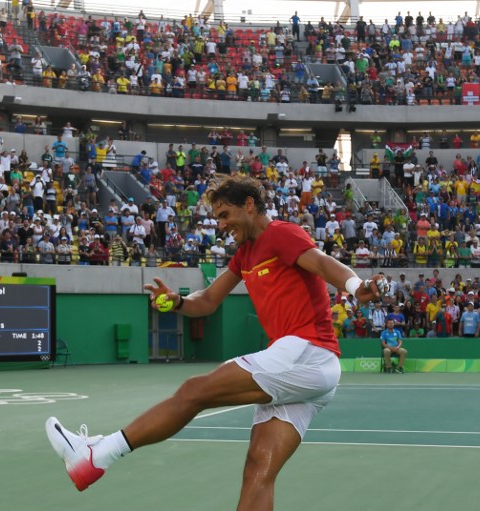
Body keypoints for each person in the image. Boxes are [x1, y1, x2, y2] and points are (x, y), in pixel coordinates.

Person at [45, 176, 384, 506]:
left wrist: (355, 286)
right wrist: (177, 302)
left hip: (305, 353)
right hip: (308, 372)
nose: (221, 225)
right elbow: (207, 301)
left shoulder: (281, 234)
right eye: (217, 218)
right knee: (258, 471)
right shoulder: (244, 255)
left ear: (249, 205)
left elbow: (324, 264)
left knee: (194, 391)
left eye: (225, 215)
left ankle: (96, 456)